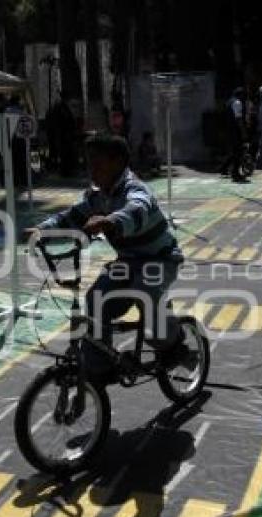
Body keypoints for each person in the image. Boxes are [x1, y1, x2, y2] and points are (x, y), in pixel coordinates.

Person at [29, 134, 187, 380]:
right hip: (128, 262)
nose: (91, 169)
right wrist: (42, 230)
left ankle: (175, 344)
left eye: (97, 162)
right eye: (89, 162)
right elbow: (71, 217)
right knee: (96, 299)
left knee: (145, 293)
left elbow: (137, 210)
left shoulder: (134, 189)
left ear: (118, 162)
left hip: (161, 260)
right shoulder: (98, 196)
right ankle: (99, 368)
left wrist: (110, 221)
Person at [220, 87, 247, 182]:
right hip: (235, 131)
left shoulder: (229, 102)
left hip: (228, 130)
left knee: (233, 151)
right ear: (240, 95)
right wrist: (243, 132)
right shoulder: (237, 103)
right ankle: (235, 174)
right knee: (238, 152)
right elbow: (238, 119)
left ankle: (224, 168)